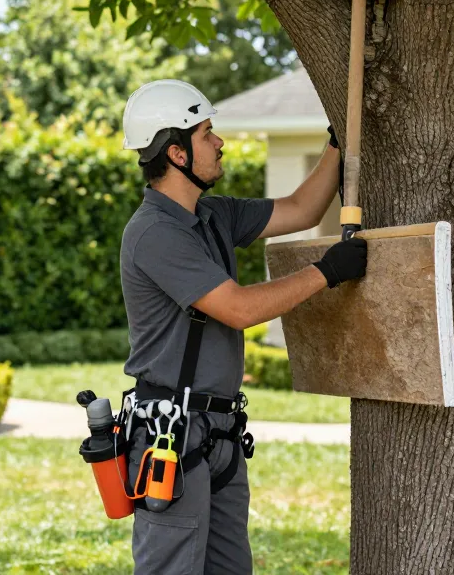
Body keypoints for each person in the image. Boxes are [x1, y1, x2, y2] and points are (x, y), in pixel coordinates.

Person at [117, 79, 368, 574]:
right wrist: (326, 272)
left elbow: (302, 209)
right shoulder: (154, 234)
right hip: (173, 434)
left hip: (220, 432)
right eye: (207, 132)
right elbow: (238, 308)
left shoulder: (214, 215)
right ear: (176, 152)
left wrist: (337, 143)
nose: (219, 142)